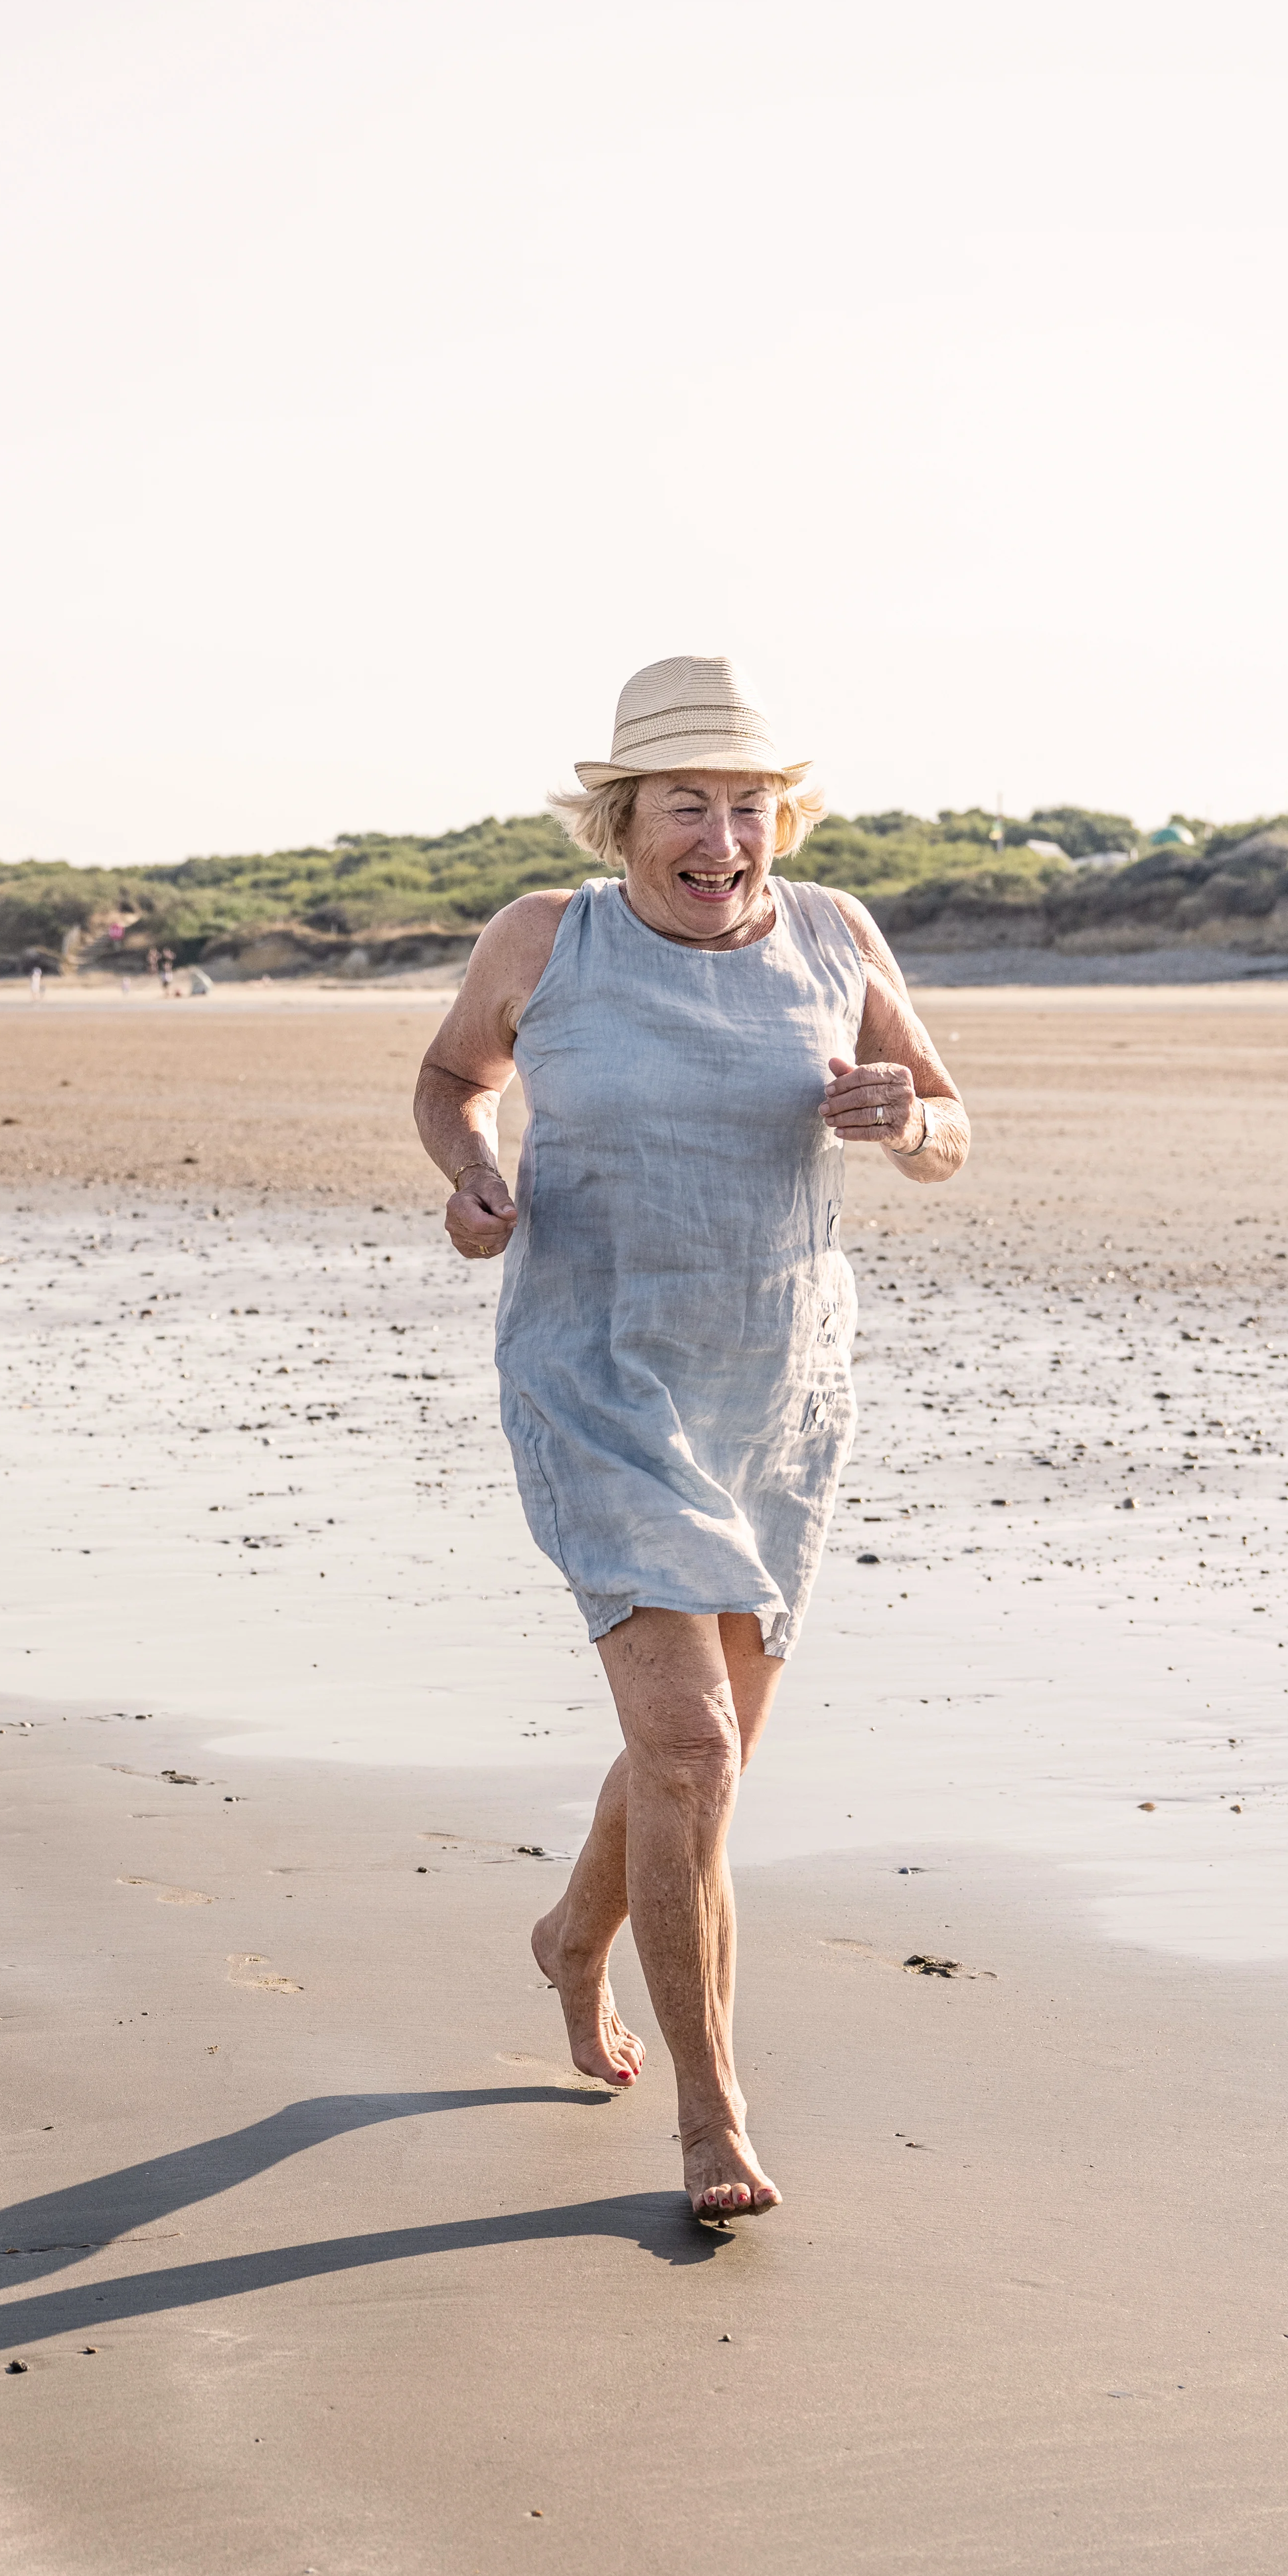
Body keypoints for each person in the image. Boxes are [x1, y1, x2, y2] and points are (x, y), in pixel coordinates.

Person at [412, 655, 970, 2222]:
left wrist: (907, 1124)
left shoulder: (836, 932)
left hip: (776, 1390)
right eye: (686, 805)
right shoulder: (546, 938)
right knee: (689, 1744)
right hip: (594, 1375)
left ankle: (570, 1940)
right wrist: (470, 1178)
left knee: (700, 1764)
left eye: (749, 805)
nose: (723, 838)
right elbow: (456, 1079)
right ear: (622, 817)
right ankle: (712, 2122)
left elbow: (945, 1122)